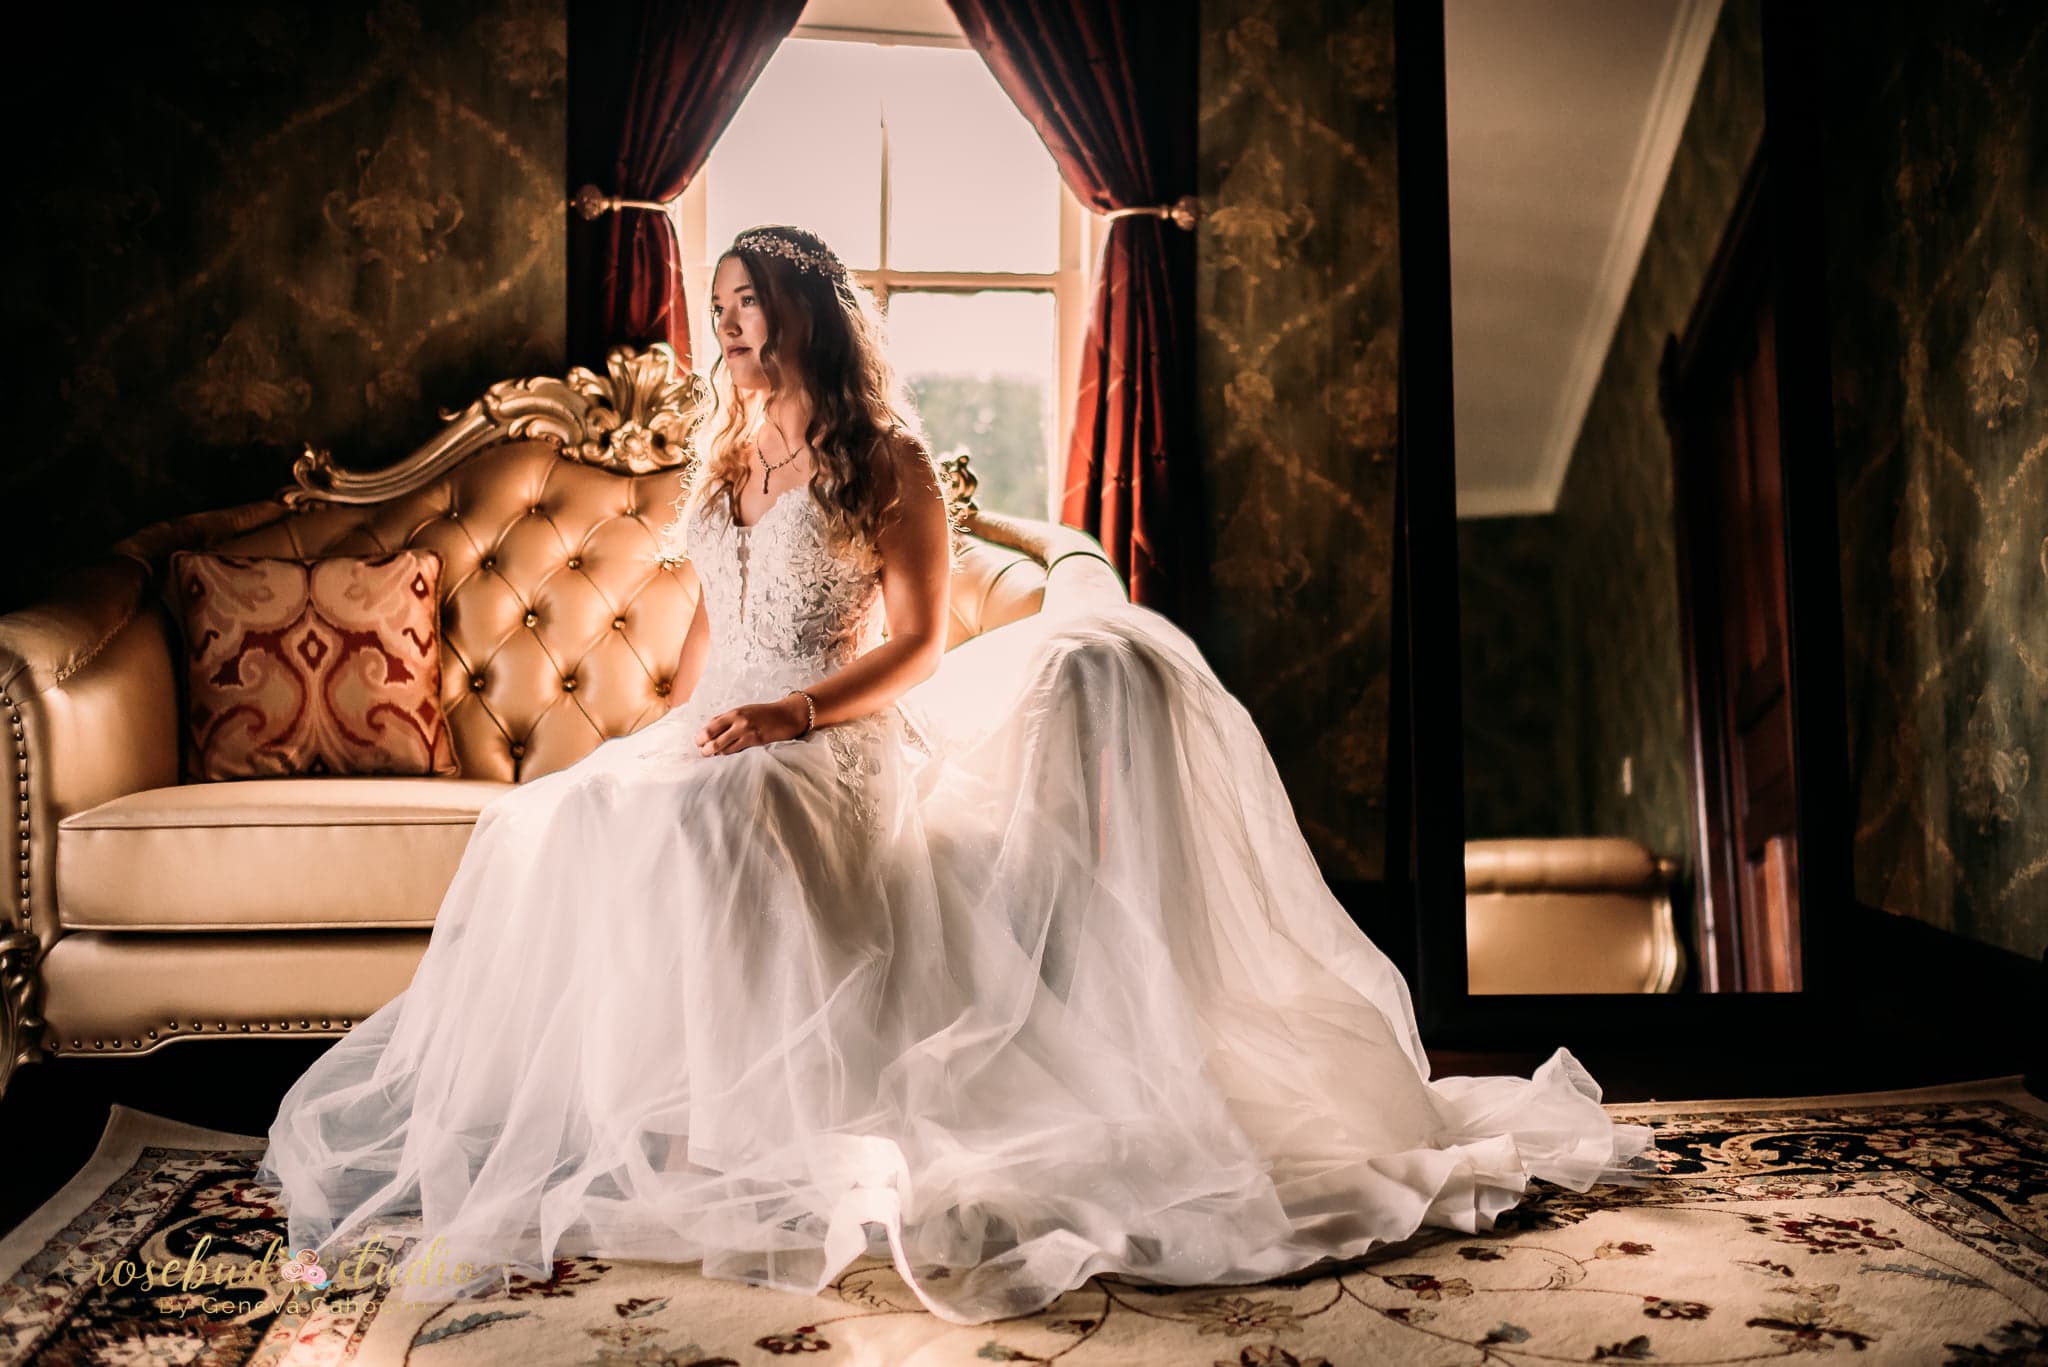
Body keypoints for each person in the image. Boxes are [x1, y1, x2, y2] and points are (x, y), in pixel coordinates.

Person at [257, 223, 1658, 1326]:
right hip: (737, 722)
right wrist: (663, 734)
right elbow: (699, 647)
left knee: (725, 818)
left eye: (749, 301)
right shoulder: (720, 463)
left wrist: (792, 718)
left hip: (842, 737)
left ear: (804, 312)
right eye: (722, 301)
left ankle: (757, 1141)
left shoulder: (890, 463)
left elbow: (921, 647)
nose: (727, 323)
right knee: (559, 821)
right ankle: (672, 1131)